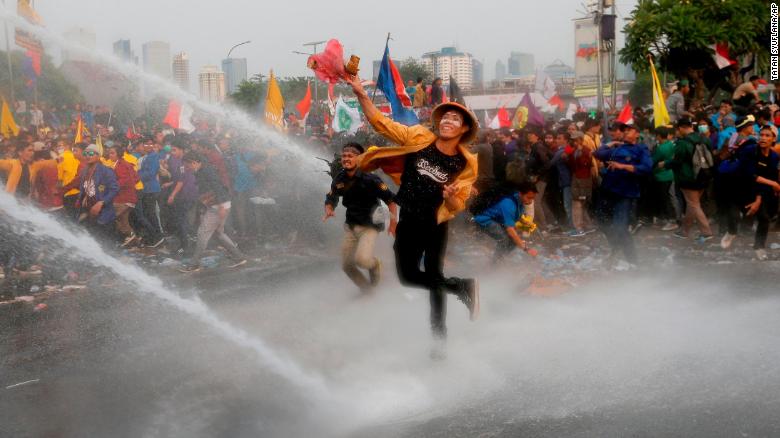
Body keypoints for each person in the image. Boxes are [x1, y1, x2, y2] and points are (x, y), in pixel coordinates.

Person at [347, 73, 479, 356]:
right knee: (408, 276)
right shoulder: (419, 136)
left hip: (435, 222)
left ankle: (439, 341)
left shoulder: (466, 163)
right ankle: (460, 286)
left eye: (455, 119)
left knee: (434, 277)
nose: (448, 121)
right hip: (408, 218)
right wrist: (360, 93)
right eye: (445, 117)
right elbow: (381, 123)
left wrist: (451, 196)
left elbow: (458, 204)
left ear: (464, 128)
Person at [323, 142, 398, 293]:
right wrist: (329, 208)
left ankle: (375, 264)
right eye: (344, 156)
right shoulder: (340, 178)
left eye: (350, 156)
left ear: (359, 158)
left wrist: (393, 223)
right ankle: (366, 290)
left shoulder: (371, 179)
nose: (346, 159)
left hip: (370, 225)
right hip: (351, 225)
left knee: (362, 260)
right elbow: (332, 196)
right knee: (347, 265)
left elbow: (391, 201)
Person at [594, 122, 653, 266]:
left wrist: (623, 166)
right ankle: (615, 247)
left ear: (637, 134)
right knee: (601, 222)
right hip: (608, 191)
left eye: (629, 131)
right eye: (624, 131)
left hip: (625, 193)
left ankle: (633, 261)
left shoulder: (641, 149)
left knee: (620, 227)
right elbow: (597, 153)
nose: (626, 132)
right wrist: (612, 143)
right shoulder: (617, 148)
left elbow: (646, 167)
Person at [180, 152, 247, 273]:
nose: (187, 168)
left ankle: (194, 264)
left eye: (187, 166)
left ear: (194, 162)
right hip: (217, 205)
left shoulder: (207, 171)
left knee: (202, 233)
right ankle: (239, 257)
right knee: (218, 234)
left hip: (218, 206)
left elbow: (218, 187)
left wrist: (221, 206)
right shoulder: (202, 170)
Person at [665, 118, 714, 241]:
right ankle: (685, 231)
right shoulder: (705, 139)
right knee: (692, 204)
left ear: (681, 128)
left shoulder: (682, 143)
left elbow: (677, 161)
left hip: (688, 177)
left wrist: (664, 164)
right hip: (704, 175)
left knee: (694, 204)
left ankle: (706, 232)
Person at [472, 181, 539, 261]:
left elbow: (515, 215)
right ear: (520, 193)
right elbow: (510, 229)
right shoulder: (508, 203)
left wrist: (525, 222)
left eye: (532, 198)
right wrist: (526, 249)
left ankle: (500, 259)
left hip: (496, 220)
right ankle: (495, 263)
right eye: (528, 197)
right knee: (504, 239)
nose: (530, 201)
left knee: (514, 242)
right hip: (484, 220)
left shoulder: (519, 200)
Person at [742, 125, 780, 260]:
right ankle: (758, 247)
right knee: (762, 217)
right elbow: (751, 175)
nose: (763, 138)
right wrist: (774, 184)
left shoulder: (774, 156)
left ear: (773, 139)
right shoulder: (751, 151)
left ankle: (758, 244)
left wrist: (775, 187)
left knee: (766, 217)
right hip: (744, 187)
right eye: (761, 135)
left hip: (762, 190)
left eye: (767, 135)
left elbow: (772, 176)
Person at [75, 144, 119, 241]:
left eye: (91, 153)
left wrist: (101, 202)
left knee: (105, 242)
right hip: (89, 211)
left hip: (103, 213)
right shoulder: (84, 171)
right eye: (85, 154)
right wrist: (81, 199)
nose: (88, 156)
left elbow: (114, 189)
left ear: (98, 156)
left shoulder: (106, 171)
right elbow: (83, 188)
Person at [106, 145, 139, 247]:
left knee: (110, 217)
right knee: (123, 221)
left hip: (123, 198)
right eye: (109, 153)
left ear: (118, 154)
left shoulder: (121, 165)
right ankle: (133, 240)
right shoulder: (124, 164)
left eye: (112, 153)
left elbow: (123, 180)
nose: (110, 155)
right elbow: (136, 178)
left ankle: (113, 240)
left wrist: (112, 187)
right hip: (129, 197)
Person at [651, 126, 680, 231]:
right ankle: (668, 218)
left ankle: (671, 220)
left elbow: (653, 161)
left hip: (661, 176)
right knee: (668, 197)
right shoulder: (670, 144)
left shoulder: (661, 148)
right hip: (670, 174)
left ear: (659, 136)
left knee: (665, 199)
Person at [568, 131, 595, 235]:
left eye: (575, 140)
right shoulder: (574, 150)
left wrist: (580, 153)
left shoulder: (586, 150)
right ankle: (588, 225)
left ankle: (579, 228)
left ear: (580, 140)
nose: (573, 142)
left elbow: (586, 164)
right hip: (577, 178)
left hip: (583, 180)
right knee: (579, 202)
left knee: (578, 202)